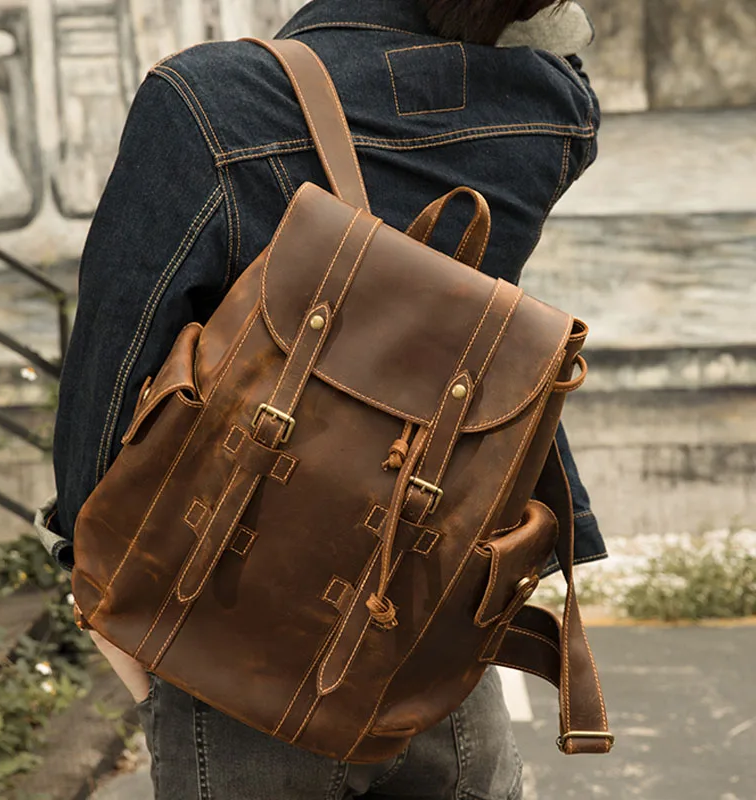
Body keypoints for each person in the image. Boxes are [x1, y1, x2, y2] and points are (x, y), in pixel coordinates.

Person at [37, 1, 607, 797]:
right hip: (427, 622)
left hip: (224, 629)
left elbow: (116, 355)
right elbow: (560, 53)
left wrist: (90, 572)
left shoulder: (212, 101)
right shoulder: (548, 107)